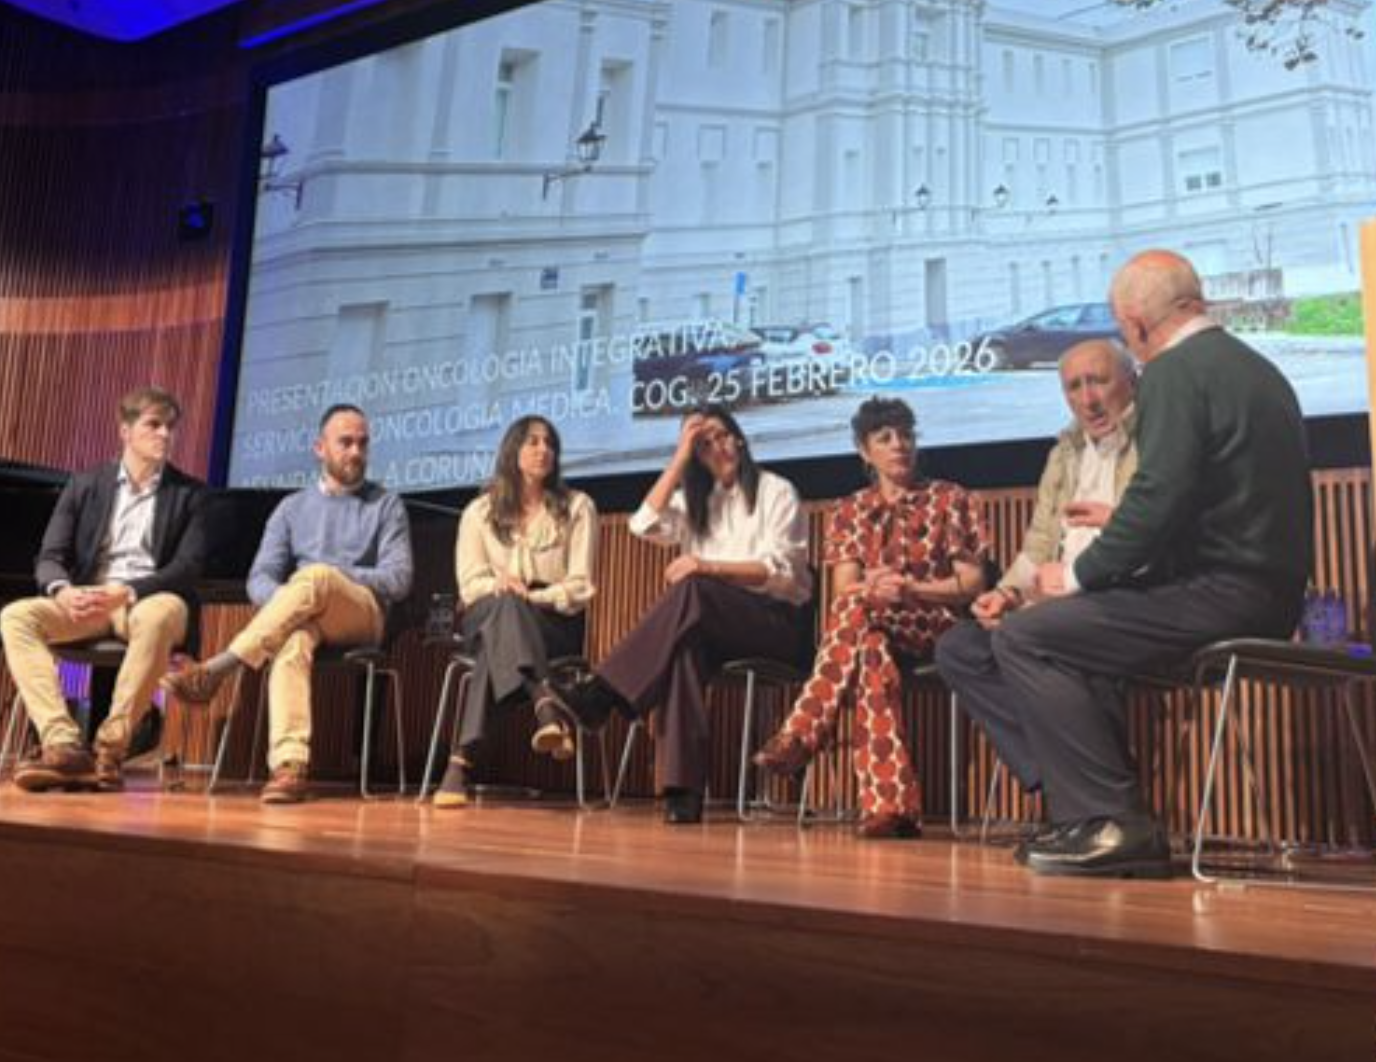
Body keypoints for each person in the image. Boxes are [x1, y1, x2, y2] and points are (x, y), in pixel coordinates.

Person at [949, 250, 1311, 879]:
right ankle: (1091, 814)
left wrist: (1078, 574)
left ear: (1137, 324)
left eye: (1124, 336)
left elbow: (1159, 494)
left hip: (1218, 594)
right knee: (1049, 633)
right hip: (1266, 594)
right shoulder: (1262, 370)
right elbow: (1213, 498)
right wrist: (1119, 528)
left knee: (1031, 636)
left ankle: (1111, 820)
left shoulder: (1174, 370)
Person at [539, 404, 812, 825]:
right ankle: (682, 791)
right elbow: (642, 524)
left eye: (721, 436)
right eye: (703, 444)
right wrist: (679, 457)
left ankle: (603, 692)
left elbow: (781, 573)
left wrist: (707, 567)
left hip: (776, 625)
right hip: (714, 627)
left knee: (694, 587)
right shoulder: (695, 502)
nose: (716, 447)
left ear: (739, 439)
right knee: (683, 649)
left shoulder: (777, 490)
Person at [753, 397, 989, 839]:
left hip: (937, 624)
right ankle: (890, 808)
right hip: (873, 622)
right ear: (865, 451)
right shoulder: (850, 509)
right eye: (885, 438)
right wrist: (875, 591)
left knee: (856, 611)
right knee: (870, 648)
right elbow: (846, 585)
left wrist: (909, 589)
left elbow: (971, 584)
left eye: (906, 435)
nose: (899, 445)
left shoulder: (952, 498)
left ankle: (801, 731)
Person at [161, 403, 413, 804]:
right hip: (306, 612)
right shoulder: (291, 509)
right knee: (292, 638)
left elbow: (398, 581)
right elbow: (258, 579)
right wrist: (297, 598)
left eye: (363, 444)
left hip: (364, 615)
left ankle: (217, 669)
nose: (356, 453)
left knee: (315, 576)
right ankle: (290, 766)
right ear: (319, 448)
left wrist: (330, 577)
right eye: (345, 443)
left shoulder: (386, 505)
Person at [935, 338, 1138, 797]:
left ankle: (1093, 795)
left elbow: (1156, 527)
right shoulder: (1065, 450)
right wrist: (1006, 594)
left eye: (1099, 382)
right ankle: (1059, 775)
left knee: (1060, 641)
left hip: (1117, 593)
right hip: (1053, 596)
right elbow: (1040, 543)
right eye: (1074, 387)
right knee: (960, 648)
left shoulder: (1154, 438)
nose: (1088, 399)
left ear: (1130, 380)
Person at [2, 386, 206, 793]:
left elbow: (188, 568)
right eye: (153, 425)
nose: (164, 434)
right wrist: (61, 590)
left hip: (150, 599)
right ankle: (62, 746)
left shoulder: (191, 494)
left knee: (158, 613)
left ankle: (110, 749)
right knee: (16, 616)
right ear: (125, 431)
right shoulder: (85, 485)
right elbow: (50, 556)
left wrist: (127, 591)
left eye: (170, 427)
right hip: (91, 600)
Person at [433, 416, 598, 808]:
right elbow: (471, 585)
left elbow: (580, 587)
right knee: (501, 608)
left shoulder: (577, 507)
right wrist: (502, 587)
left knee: (501, 634)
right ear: (512, 451)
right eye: (532, 442)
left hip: (552, 620)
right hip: (486, 609)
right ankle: (545, 703)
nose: (544, 450)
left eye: (549, 443)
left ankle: (460, 762)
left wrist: (531, 597)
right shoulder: (478, 512)